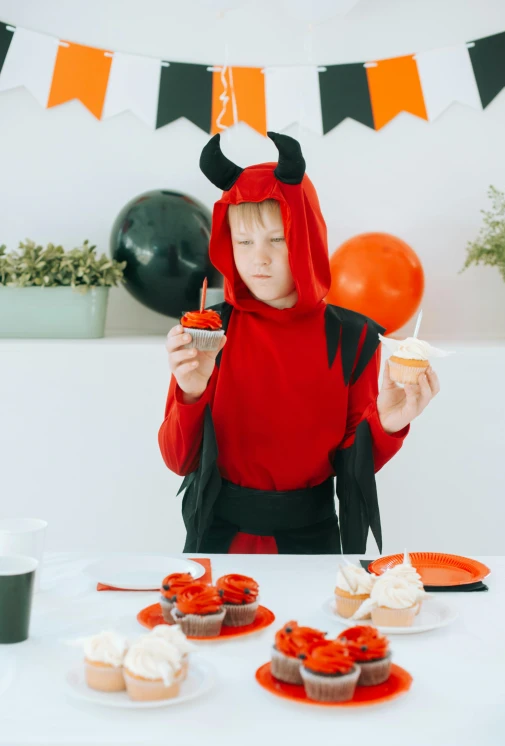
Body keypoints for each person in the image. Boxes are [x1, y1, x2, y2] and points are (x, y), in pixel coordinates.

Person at [158, 132, 440, 555]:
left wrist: (386, 423)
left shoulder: (355, 338)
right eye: (244, 242)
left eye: (278, 238)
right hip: (218, 541)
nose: (260, 258)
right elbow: (178, 460)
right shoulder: (209, 330)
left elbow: (353, 465)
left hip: (313, 545)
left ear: (306, 236)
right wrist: (191, 390)